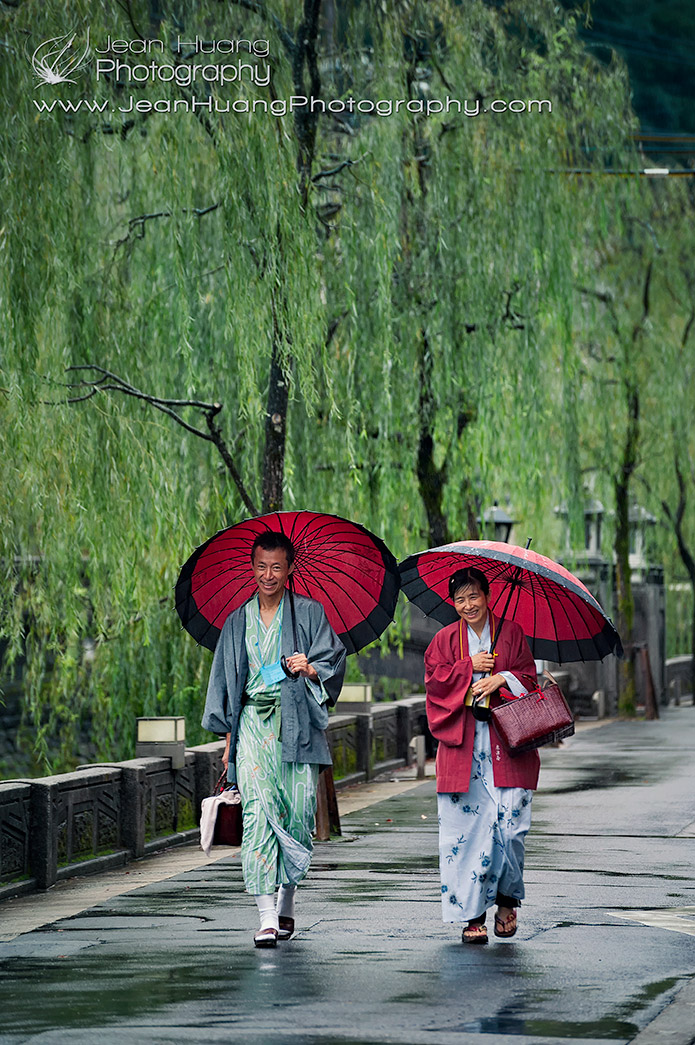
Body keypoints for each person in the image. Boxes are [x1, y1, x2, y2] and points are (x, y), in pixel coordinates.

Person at [201, 531, 346, 948]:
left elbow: (333, 660)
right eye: (261, 566)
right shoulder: (236, 622)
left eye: (276, 567)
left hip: (297, 723)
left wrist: (310, 667)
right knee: (259, 815)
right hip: (252, 728)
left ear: (289, 569)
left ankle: (286, 901)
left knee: (297, 815)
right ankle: (265, 916)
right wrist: (229, 742)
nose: (268, 575)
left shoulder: (309, 614)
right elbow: (227, 686)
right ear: (252, 567)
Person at [424, 566, 539, 944]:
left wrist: (501, 678)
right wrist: (467, 668)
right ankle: (472, 916)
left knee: (511, 828)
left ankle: (507, 900)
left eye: (474, 596)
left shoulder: (512, 634)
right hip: (464, 750)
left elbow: (531, 682)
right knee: (466, 833)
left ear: (487, 596)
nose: (468, 605)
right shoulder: (443, 641)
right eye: (460, 599)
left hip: (508, 746)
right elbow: (434, 685)